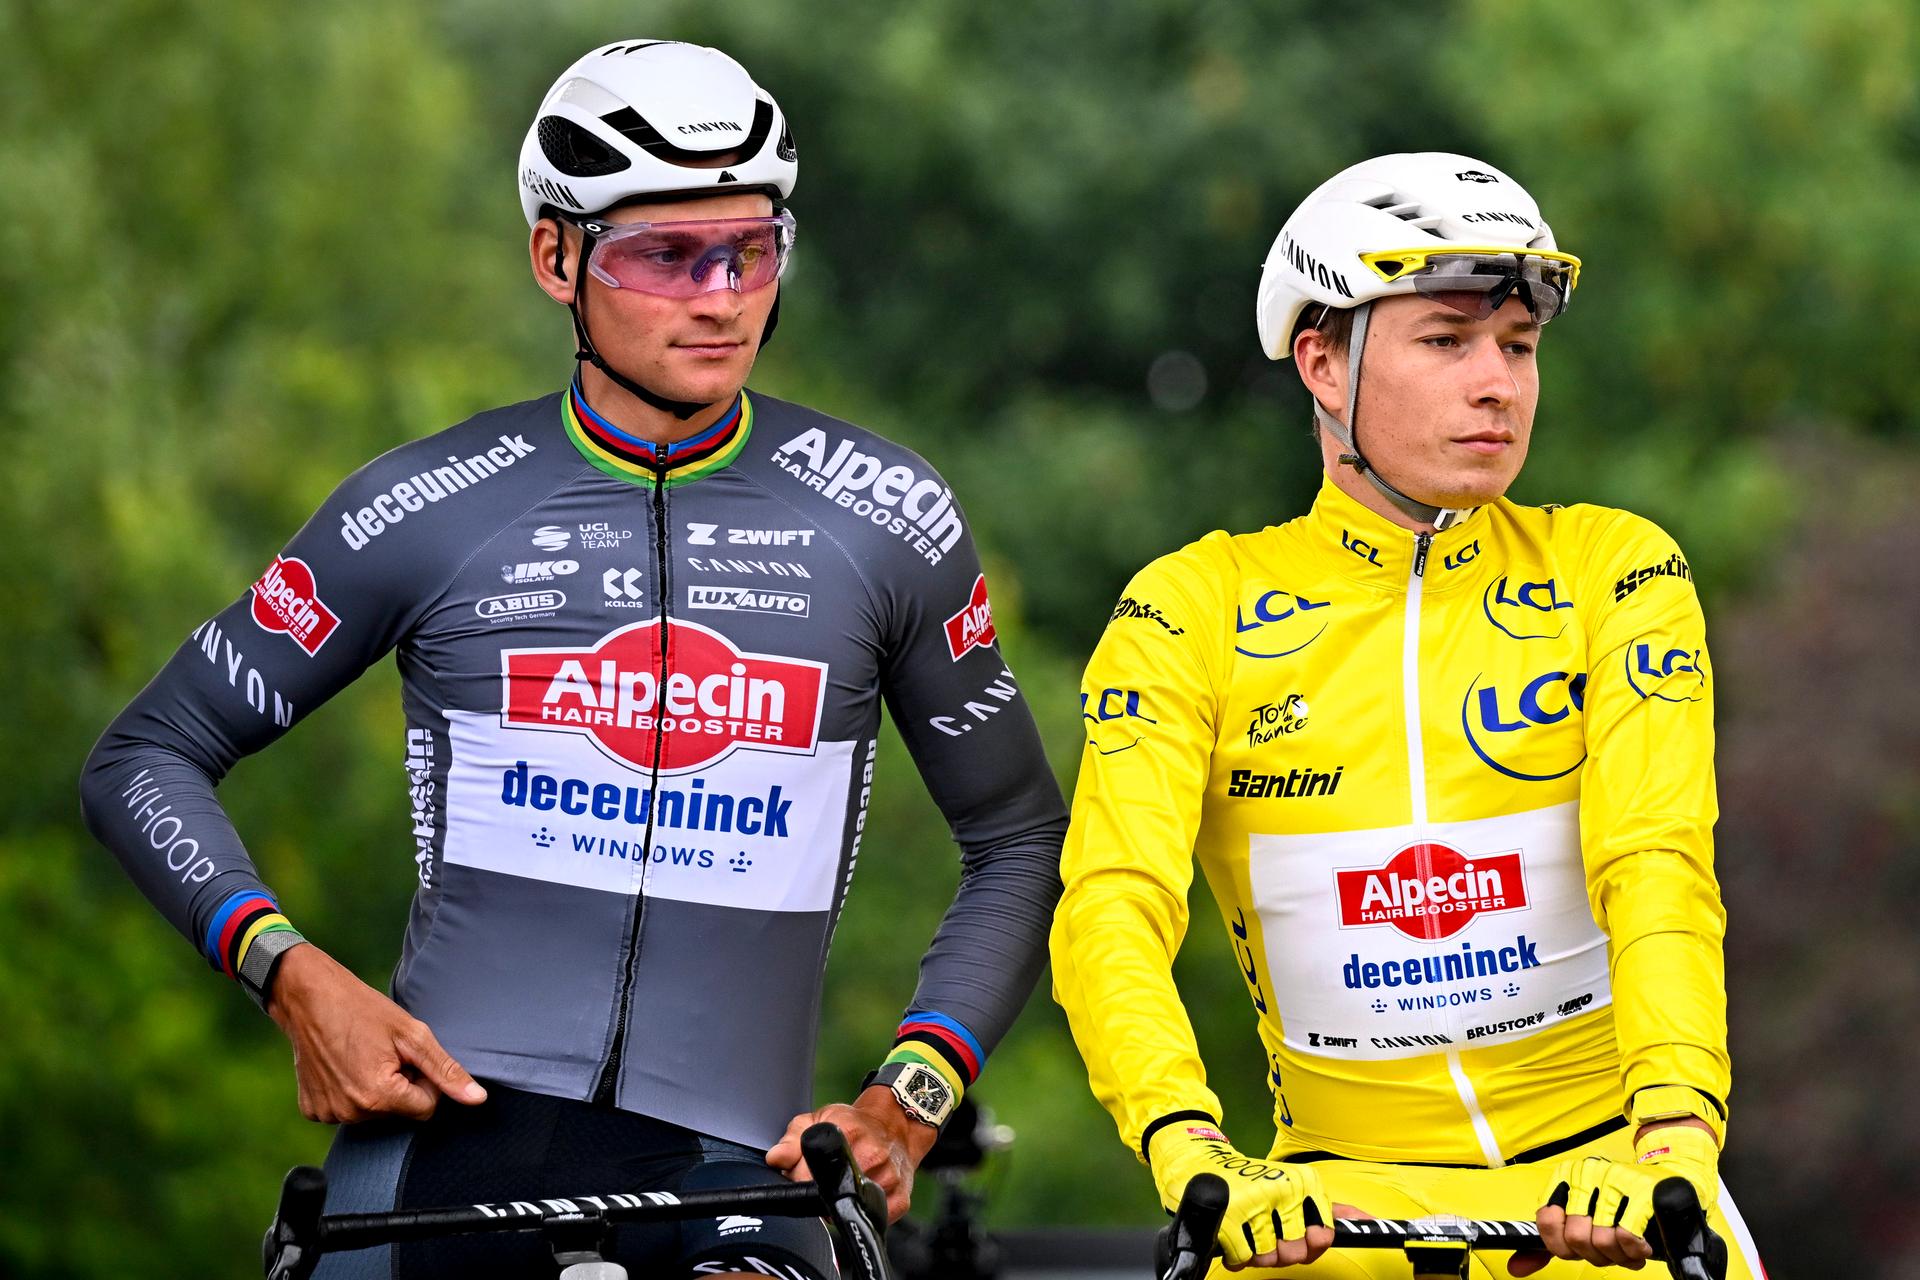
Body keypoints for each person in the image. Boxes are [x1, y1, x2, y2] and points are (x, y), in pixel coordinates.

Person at [81, 39, 1065, 1279]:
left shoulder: (883, 517)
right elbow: (145, 755)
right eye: (667, 255)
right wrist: (289, 971)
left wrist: (909, 1092)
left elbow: (1021, 837)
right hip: (437, 1153)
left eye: (751, 251)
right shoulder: (433, 504)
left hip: (734, 1162)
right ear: (557, 255)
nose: (720, 296)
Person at [1050, 152, 1767, 1277]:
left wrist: (1672, 1132)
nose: (1500, 383)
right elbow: (1113, 908)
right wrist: (1189, 1145)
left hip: (1618, 1182)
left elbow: (1658, 865)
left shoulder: (1615, 567)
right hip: (1327, 1209)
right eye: (1447, 340)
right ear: (1323, 360)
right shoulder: (1192, 603)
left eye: (1519, 346)